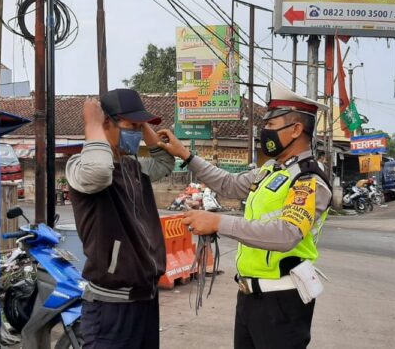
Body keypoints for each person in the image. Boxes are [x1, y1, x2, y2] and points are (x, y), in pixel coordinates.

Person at [157, 82, 332, 349]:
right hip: (250, 299)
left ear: (296, 130)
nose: (265, 133)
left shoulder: (308, 179)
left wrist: (218, 222)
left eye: (272, 127)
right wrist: (186, 155)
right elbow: (229, 184)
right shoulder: (272, 170)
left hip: (282, 302)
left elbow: (286, 234)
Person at [65, 89, 175, 349]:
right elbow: (100, 172)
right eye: (130, 126)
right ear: (106, 124)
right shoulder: (79, 167)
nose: (136, 133)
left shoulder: (132, 167)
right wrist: (93, 125)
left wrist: (144, 126)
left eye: (139, 127)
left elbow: (164, 164)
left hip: (144, 300)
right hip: (111, 308)